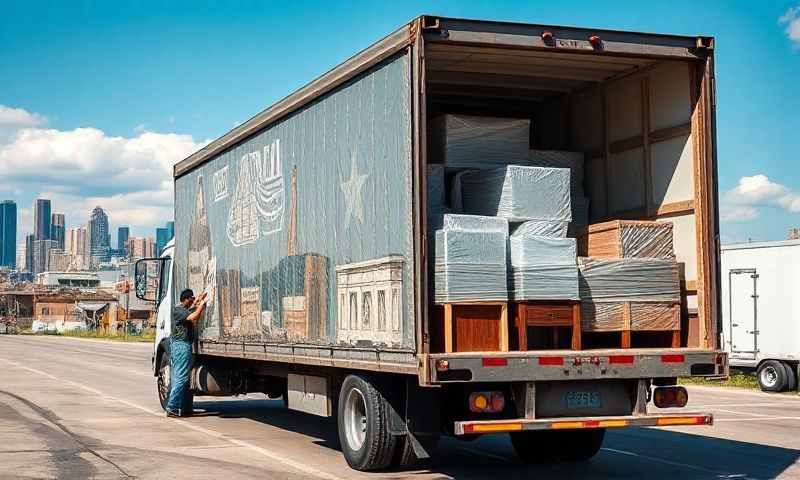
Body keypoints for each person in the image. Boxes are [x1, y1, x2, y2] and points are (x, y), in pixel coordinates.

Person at [165, 288, 207, 417]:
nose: (193, 301)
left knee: (185, 379)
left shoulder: (183, 309)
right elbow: (194, 316)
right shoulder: (178, 310)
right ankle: (172, 406)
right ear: (186, 299)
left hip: (184, 345)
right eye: (192, 299)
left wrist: (199, 299)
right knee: (181, 378)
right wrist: (201, 305)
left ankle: (185, 408)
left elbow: (191, 309)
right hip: (180, 346)